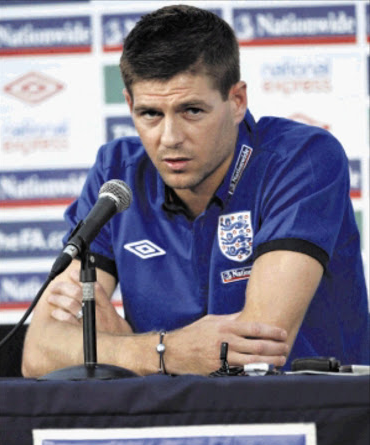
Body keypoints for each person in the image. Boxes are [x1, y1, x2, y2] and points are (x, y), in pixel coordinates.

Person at [22, 5, 369, 378]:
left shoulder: (301, 158)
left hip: (310, 420)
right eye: (150, 114)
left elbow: (256, 355)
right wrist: (160, 351)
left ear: (237, 101)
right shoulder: (117, 173)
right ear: (129, 105)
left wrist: (119, 344)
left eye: (191, 111)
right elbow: (39, 352)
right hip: (169, 424)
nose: (169, 139)